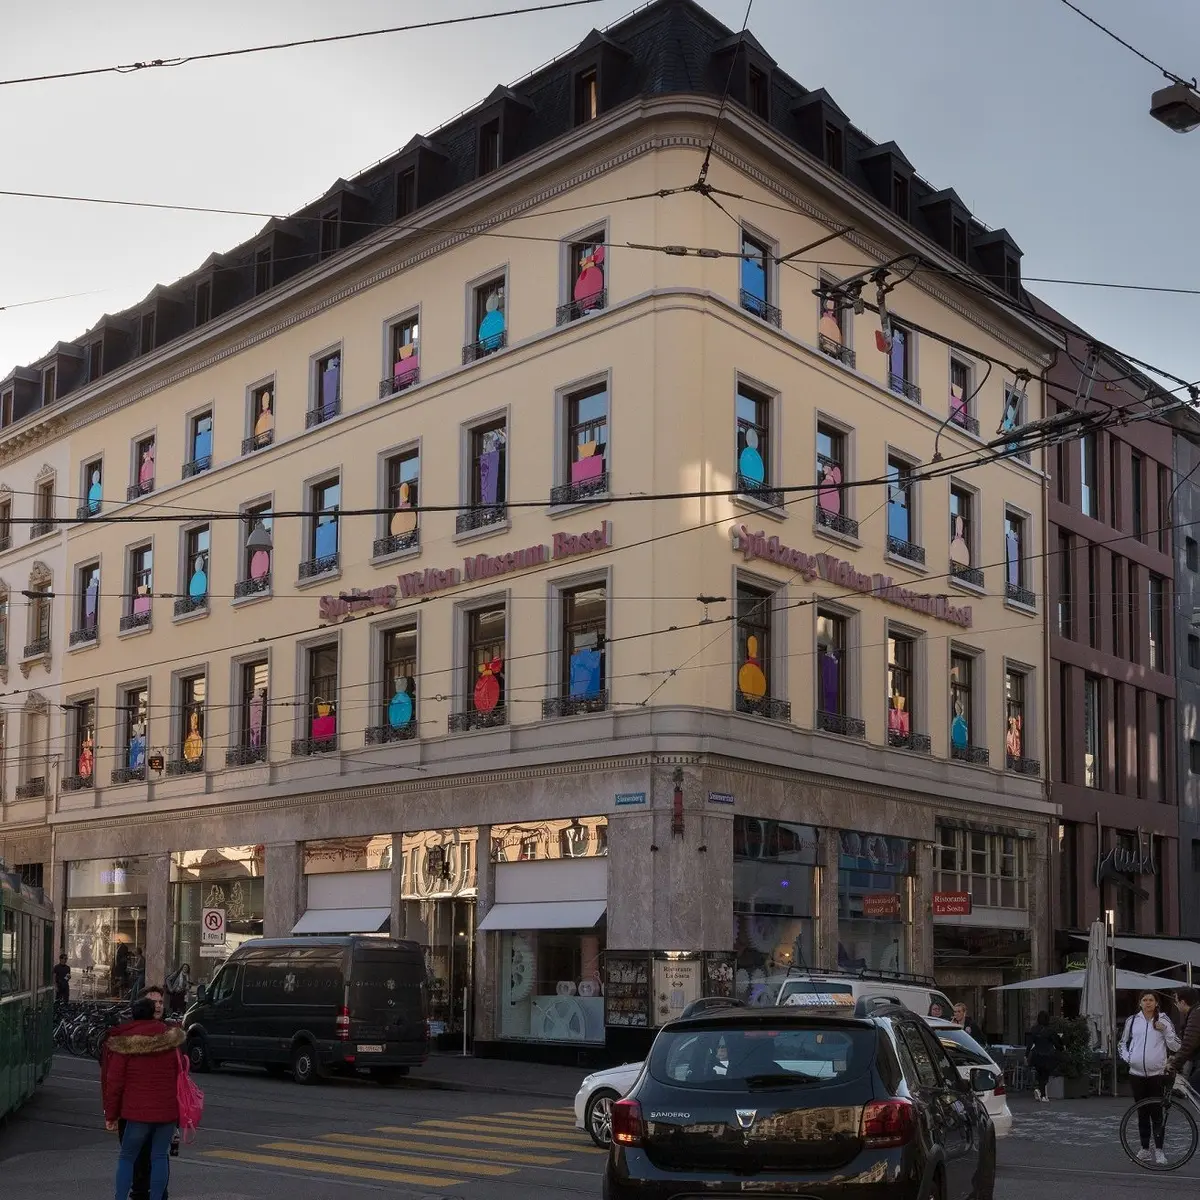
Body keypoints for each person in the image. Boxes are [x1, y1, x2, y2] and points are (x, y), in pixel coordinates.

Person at [102, 990, 185, 1200]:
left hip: (137, 1113)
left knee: (127, 1157)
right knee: (159, 1157)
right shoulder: (171, 1039)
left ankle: (120, 1197)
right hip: (166, 1113)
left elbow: (114, 1083)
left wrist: (111, 1116)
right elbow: (180, 1075)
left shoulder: (124, 1042)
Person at [1119, 991, 1180, 1166]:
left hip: (1157, 1074)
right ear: (1139, 1003)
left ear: (1156, 1003)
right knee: (1141, 1112)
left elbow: (1176, 1045)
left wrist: (1166, 1030)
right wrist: (1129, 1058)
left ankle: (1159, 1151)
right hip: (1136, 1074)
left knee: (1157, 1113)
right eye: (1144, 1000)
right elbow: (1122, 1043)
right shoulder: (1132, 1020)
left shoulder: (1164, 1020)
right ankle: (1145, 1149)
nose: (1147, 1003)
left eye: (1151, 1000)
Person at [1025, 1010, 1062, 1103]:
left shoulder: (1033, 1029)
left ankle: (1041, 1092)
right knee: (1045, 1075)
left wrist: (1026, 1055)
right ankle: (1043, 1095)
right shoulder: (1050, 1030)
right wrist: (1061, 1048)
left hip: (1037, 1055)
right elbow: (1057, 1043)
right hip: (1048, 1056)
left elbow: (1029, 1044)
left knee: (1040, 1073)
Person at [1171, 987, 1200, 1081]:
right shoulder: (1196, 1012)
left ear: (1182, 1002)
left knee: (1194, 1088)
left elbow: (1189, 1043)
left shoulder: (1196, 1015)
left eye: (1176, 1002)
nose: (1176, 1005)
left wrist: (1173, 1064)